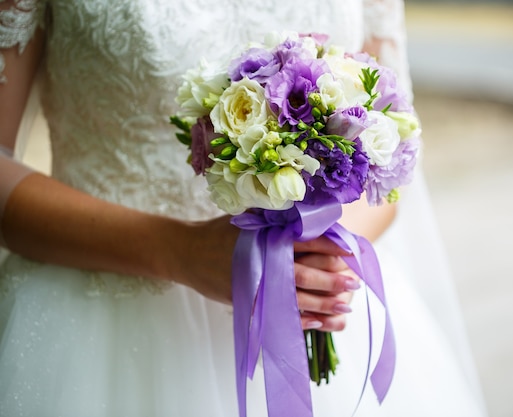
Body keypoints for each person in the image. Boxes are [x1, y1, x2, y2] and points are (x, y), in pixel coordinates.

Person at [0, 0, 487, 415]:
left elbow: (396, 146)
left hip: (321, 307)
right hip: (101, 324)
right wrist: (181, 251)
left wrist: (307, 254)